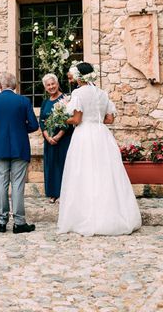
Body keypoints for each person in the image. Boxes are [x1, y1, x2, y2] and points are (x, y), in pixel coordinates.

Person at [57, 62, 142, 236]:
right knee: (106, 174)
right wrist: (95, 121)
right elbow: (109, 119)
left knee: (85, 173)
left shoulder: (78, 93)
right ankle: (113, 215)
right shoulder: (103, 94)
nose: (72, 79)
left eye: (74, 76)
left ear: (79, 77)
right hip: (102, 135)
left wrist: (62, 119)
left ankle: (86, 217)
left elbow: (77, 119)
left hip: (84, 136)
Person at [0, 72, 39, 234]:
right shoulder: (23, 101)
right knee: (18, 185)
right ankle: (19, 222)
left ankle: (1, 221)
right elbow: (34, 125)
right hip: (19, 147)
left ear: (0, 86)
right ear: (15, 86)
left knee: (1, 184)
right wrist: (22, 129)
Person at [39, 74, 73, 204]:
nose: (51, 87)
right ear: (45, 87)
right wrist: (47, 136)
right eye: (48, 85)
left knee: (63, 165)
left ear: (57, 84)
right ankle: (53, 193)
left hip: (64, 139)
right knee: (51, 165)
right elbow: (42, 121)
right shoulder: (45, 102)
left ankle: (64, 194)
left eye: (53, 84)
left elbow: (69, 119)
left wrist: (58, 136)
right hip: (49, 140)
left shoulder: (66, 99)